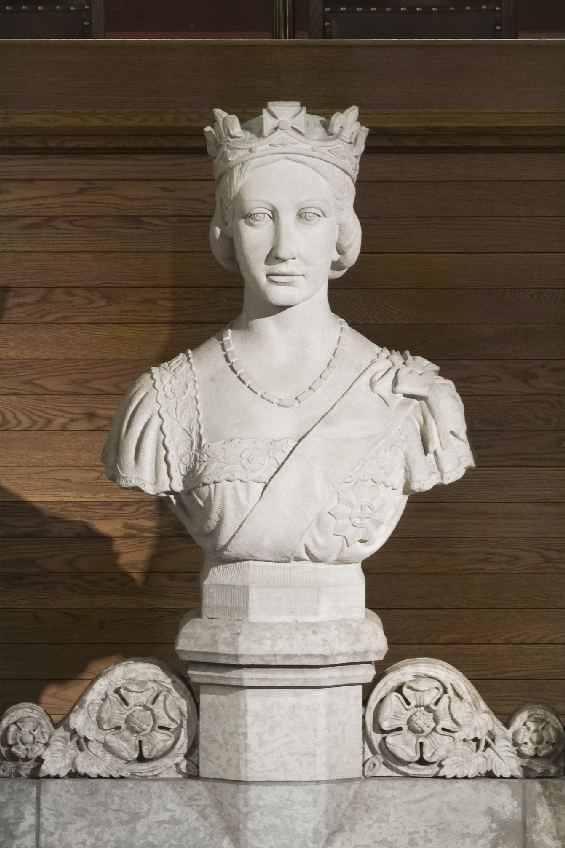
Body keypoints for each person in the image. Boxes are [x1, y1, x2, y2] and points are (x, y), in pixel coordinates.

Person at [102, 101, 474, 580]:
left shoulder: (414, 394)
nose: (284, 248)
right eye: (259, 216)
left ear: (341, 228)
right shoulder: (163, 401)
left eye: (310, 215)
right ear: (225, 229)